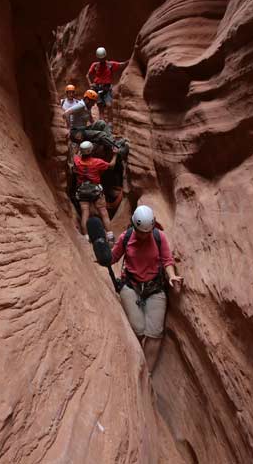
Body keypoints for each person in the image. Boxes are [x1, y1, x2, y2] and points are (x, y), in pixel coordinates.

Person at [111, 205, 184, 372]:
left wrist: (172, 276)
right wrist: (100, 256)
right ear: (134, 226)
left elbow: (167, 260)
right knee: (138, 329)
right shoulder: (126, 237)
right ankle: (132, 366)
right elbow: (114, 257)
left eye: (147, 232)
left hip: (154, 288)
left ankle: (145, 375)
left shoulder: (159, 237)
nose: (144, 235)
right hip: (131, 286)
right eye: (141, 232)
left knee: (155, 334)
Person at [74, 140, 118, 244]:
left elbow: (76, 155)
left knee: (85, 213)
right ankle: (110, 237)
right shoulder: (97, 162)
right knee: (103, 212)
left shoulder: (76, 161)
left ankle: (86, 237)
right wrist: (115, 154)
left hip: (82, 191)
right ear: (91, 150)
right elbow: (112, 165)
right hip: (95, 191)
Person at [87, 47, 128, 123]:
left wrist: (130, 60)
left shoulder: (110, 64)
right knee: (100, 108)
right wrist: (90, 84)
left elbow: (121, 65)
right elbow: (88, 75)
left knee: (109, 106)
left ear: (105, 56)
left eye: (102, 58)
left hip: (107, 88)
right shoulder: (95, 65)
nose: (101, 60)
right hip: (97, 88)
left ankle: (110, 125)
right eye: (100, 59)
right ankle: (102, 125)